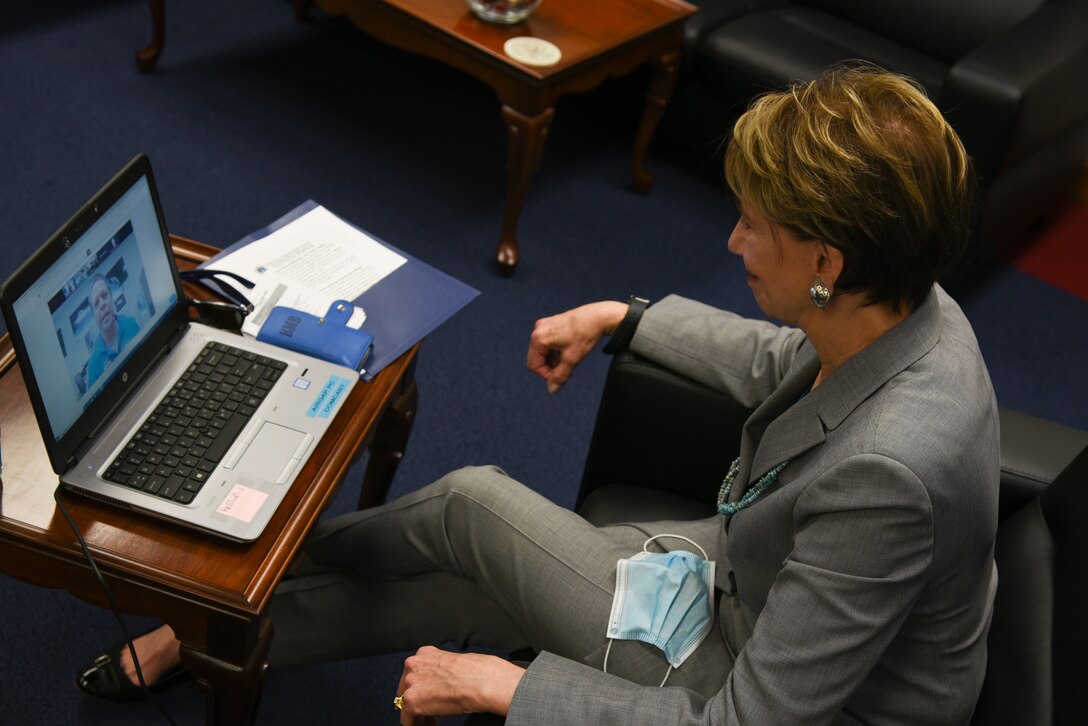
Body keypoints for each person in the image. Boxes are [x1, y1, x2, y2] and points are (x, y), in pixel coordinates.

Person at [75, 63, 999, 725]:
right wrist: (621, 317)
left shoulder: (892, 475)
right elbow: (783, 362)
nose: (731, 243)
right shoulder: (907, 300)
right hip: (753, 577)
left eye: (753, 226)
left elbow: (750, 719)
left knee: (472, 512)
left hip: (763, 667)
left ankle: (227, 589)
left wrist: (501, 690)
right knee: (470, 553)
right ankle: (223, 617)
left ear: (828, 264)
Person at [85, 273, 140, 386]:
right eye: (96, 303)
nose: (102, 304)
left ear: (111, 297)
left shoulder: (132, 324)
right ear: (94, 316)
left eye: (105, 295)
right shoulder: (93, 365)